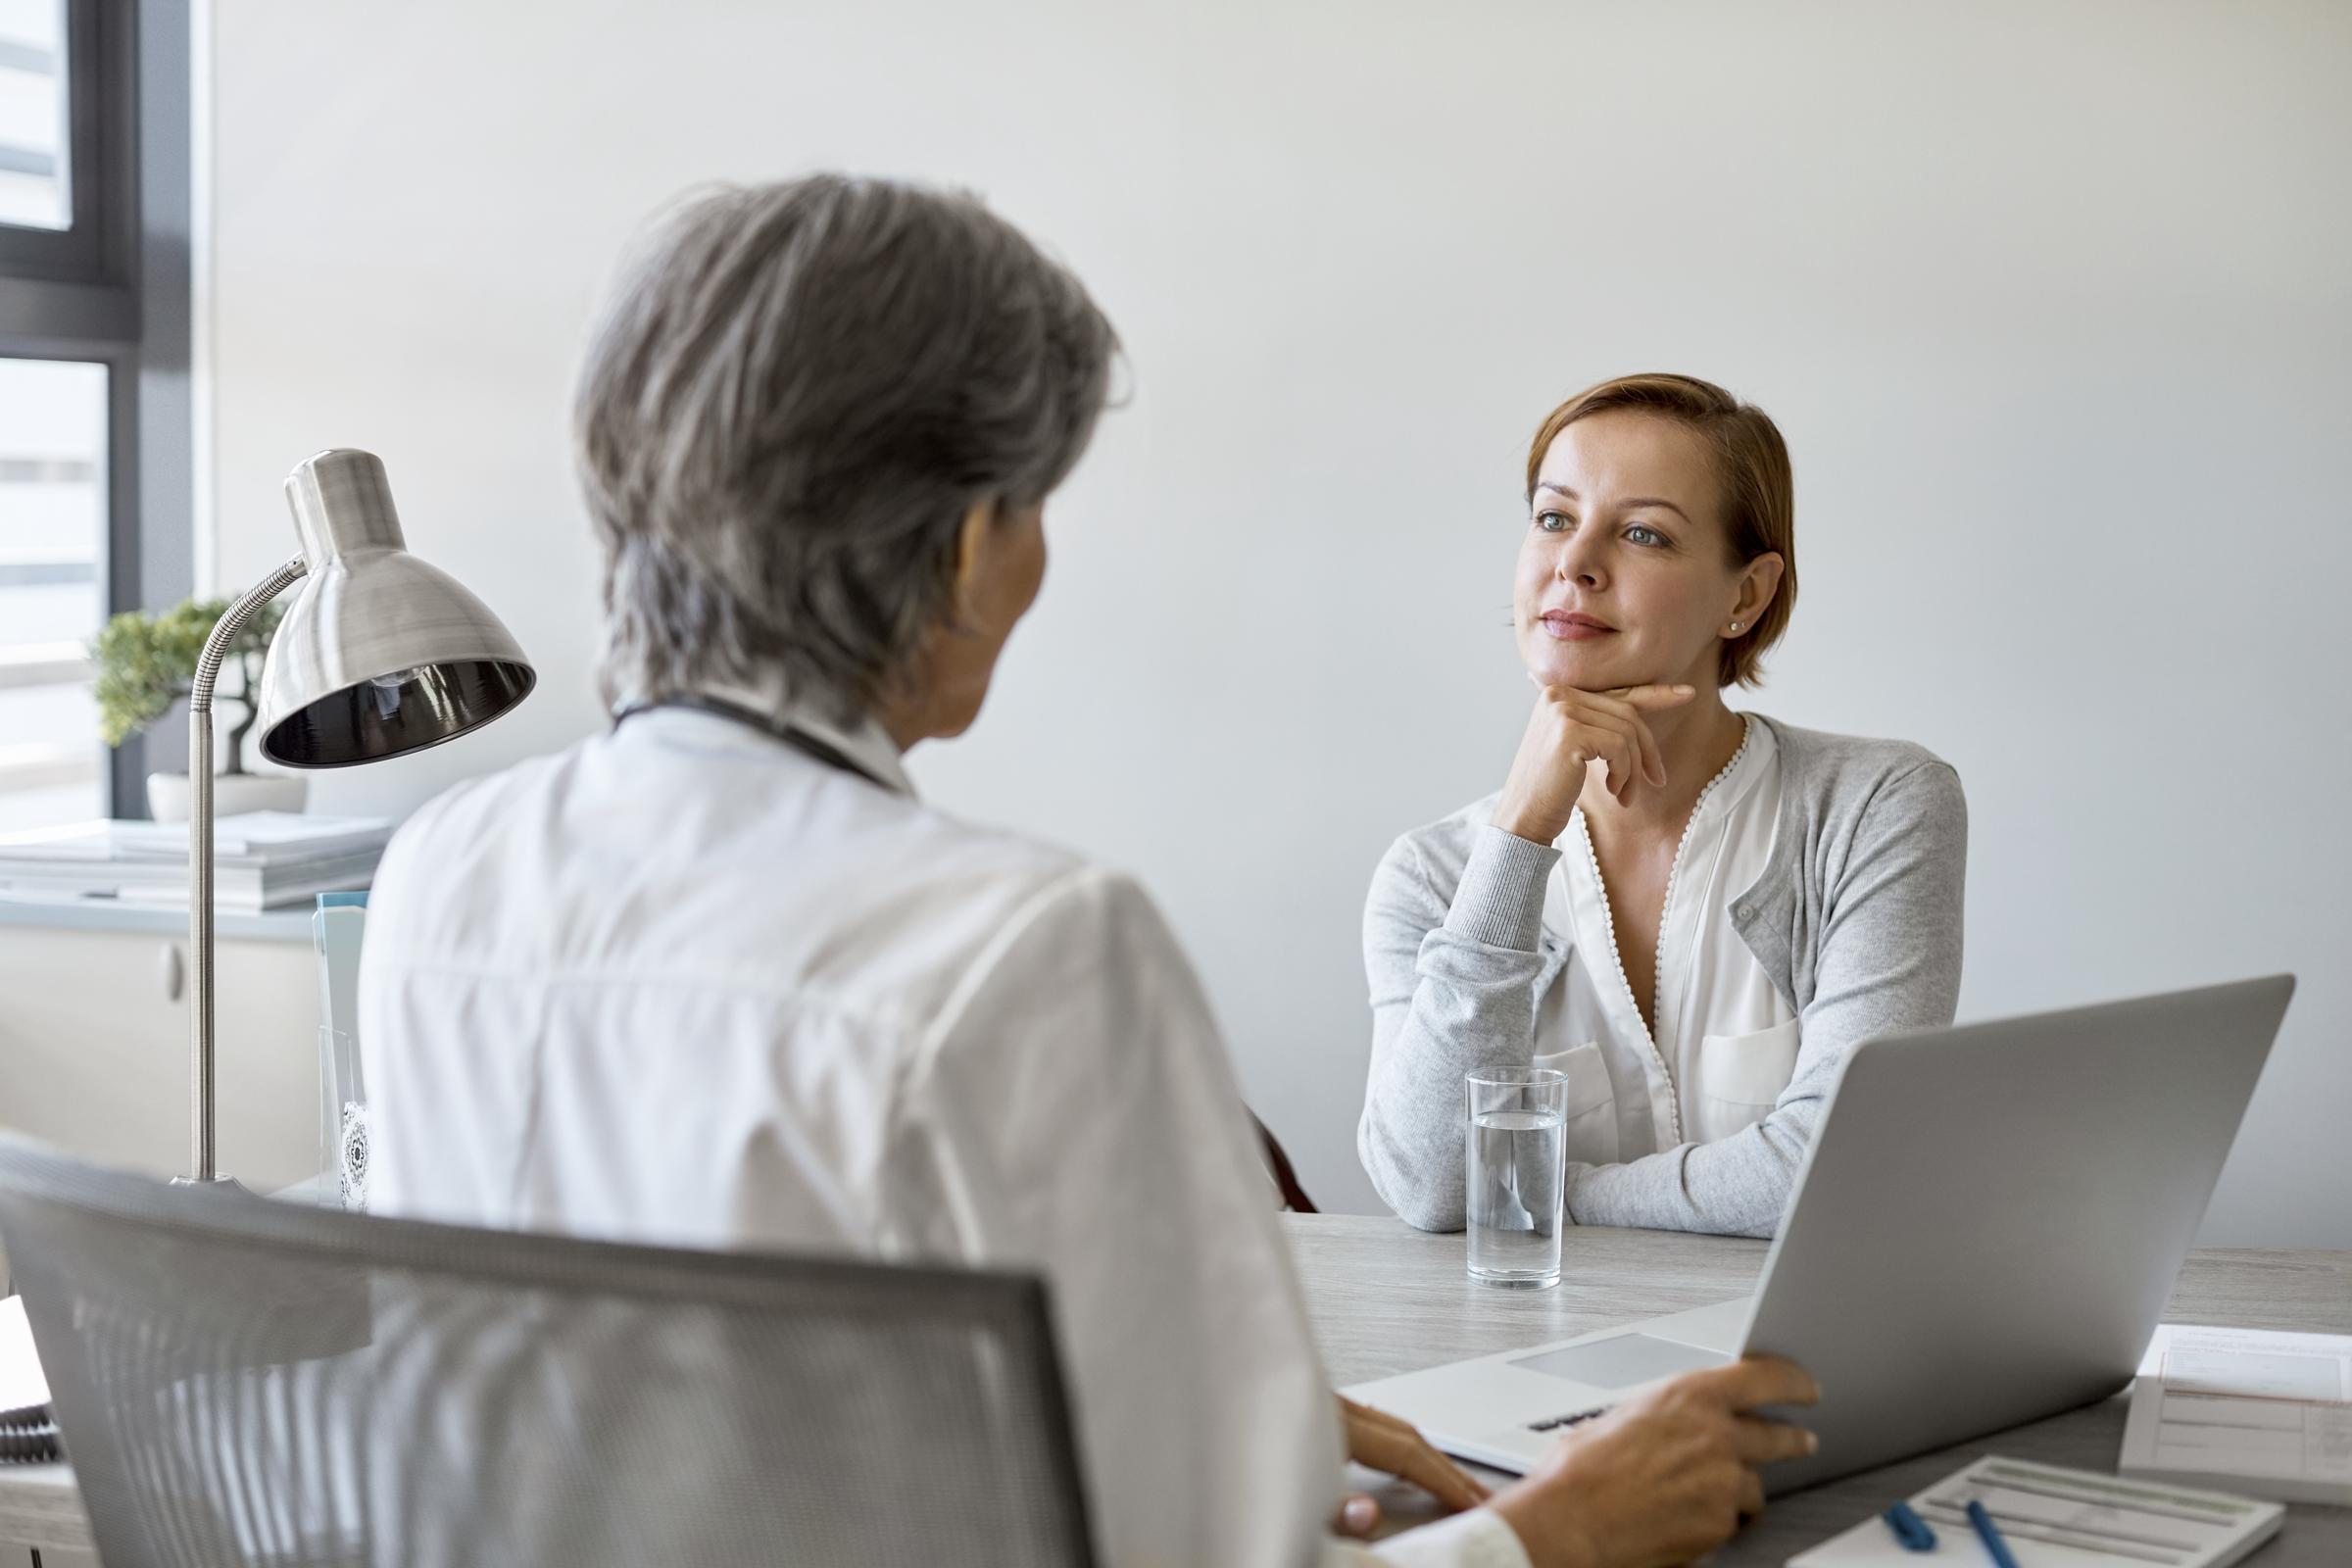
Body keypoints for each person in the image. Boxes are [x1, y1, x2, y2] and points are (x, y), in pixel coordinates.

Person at [360, 178, 1819, 1568]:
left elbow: (687, 1397)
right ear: (977, 543)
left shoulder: (440, 878)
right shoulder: (1028, 945)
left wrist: (1202, 1433)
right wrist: (1560, 1531)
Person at [1358, 374, 1968, 1241]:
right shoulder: (1432, 875)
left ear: (1745, 597)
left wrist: (1549, 1190)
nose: (1574, 562)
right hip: (1517, 1365)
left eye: (1642, 533)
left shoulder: (1876, 808)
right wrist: (1521, 834)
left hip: (1797, 1364)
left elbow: (1842, 1170)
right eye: (1553, 518)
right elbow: (1431, 1185)